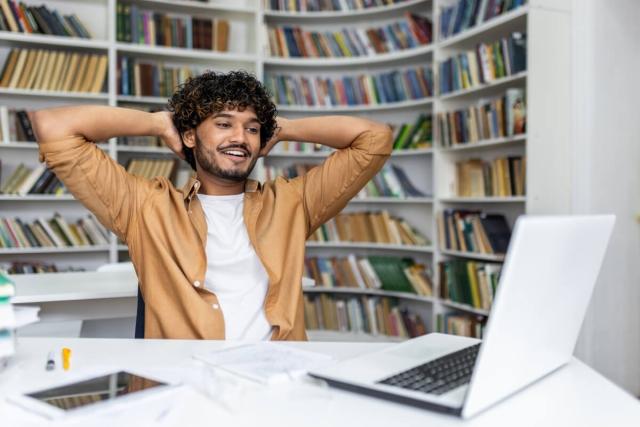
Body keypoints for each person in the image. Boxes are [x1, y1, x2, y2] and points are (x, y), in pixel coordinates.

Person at [31, 70, 393, 341]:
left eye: (252, 129)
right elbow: (53, 126)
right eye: (223, 124)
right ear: (190, 136)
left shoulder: (293, 203)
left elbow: (374, 138)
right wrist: (158, 123)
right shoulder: (145, 208)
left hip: (279, 384)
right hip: (186, 389)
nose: (240, 137)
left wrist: (283, 128)